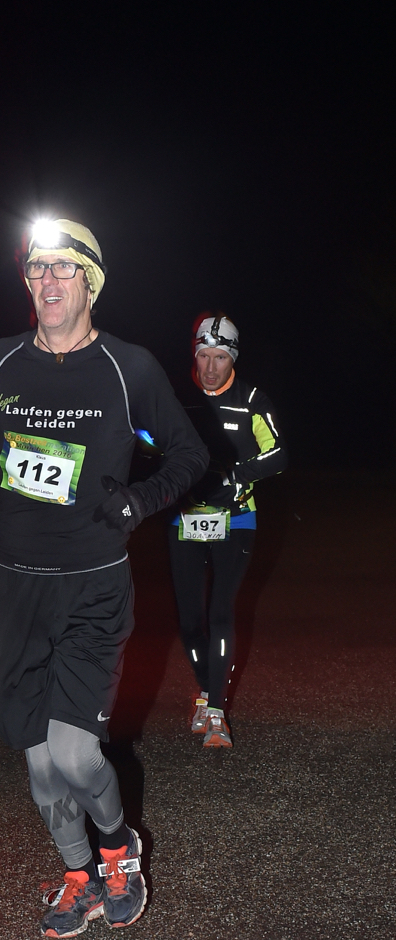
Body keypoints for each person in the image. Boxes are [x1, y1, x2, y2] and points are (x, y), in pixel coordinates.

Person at [0, 218, 208, 939]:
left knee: (76, 753)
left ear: (89, 280)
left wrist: (139, 499)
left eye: (61, 270)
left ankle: (120, 852)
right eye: (34, 271)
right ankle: (77, 874)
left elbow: (187, 456)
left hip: (92, 585)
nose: (47, 283)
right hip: (16, 586)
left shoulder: (128, 367)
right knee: (39, 763)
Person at [168, 314, 287, 748]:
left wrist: (236, 475)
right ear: (195, 356)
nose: (211, 367)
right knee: (189, 621)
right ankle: (207, 687)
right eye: (204, 356)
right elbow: (148, 436)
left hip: (237, 517)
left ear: (232, 358)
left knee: (221, 611)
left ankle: (215, 710)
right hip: (187, 519)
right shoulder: (180, 398)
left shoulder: (251, 398)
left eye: (220, 356)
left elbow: (277, 453)